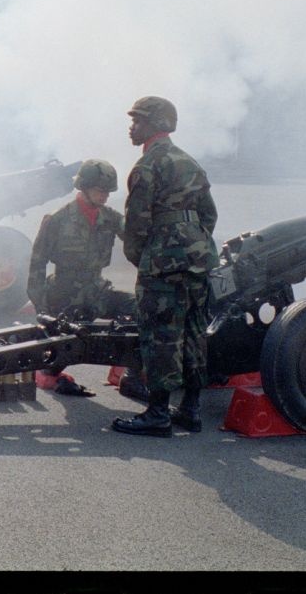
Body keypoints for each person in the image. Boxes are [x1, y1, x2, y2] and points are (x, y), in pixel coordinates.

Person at [111, 96, 219, 438]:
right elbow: (209, 215)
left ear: (156, 124)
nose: (132, 126)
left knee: (161, 336)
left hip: (163, 263)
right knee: (193, 333)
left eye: (138, 120)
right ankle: (190, 409)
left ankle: (157, 413)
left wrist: (146, 259)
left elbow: (137, 226)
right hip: (199, 260)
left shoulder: (147, 167)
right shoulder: (189, 163)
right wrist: (193, 247)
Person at [26, 158, 132, 396]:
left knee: (140, 309)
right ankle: (47, 375)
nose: (104, 196)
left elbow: (136, 237)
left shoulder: (109, 217)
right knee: (68, 347)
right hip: (65, 294)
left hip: (96, 290)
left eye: (107, 191)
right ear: (83, 188)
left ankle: (130, 372)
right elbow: (37, 262)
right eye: (99, 190)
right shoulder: (58, 219)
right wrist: (41, 306)